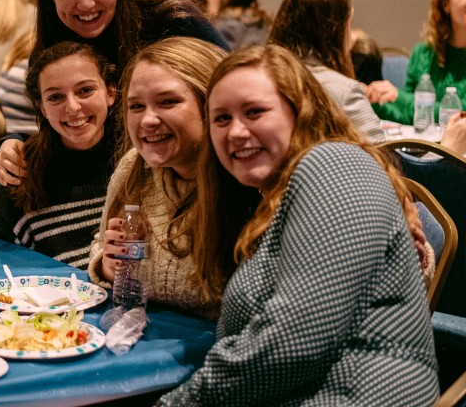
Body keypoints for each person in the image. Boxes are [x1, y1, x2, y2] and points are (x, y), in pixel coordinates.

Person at [158, 44, 438, 406]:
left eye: (254, 111)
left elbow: (295, 339)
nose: (236, 132)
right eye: (221, 119)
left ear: (300, 111)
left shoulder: (335, 165)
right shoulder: (268, 199)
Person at [0, 0, 226, 187]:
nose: (85, 4)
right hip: (117, 194)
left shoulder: (170, 18)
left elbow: (231, 88)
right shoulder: (52, 49)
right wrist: (15, 142)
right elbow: (68, 135)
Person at [88, 37, 226, 320]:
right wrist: (107, 265)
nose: (148, 120)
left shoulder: (240, 182)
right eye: (136, 107)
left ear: (211, 105)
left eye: (168, 102)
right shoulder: (134, 167)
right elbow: (101, 245)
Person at [0, 42, 116, 268]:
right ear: (42, 109)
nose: (72, 107)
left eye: (85, 90)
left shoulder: (135, 162)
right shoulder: (22, 170)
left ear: (110, 93)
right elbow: (3, 257)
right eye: (55, 97)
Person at [268, 0, 386, 143]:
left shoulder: (265, 78)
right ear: (333, 32)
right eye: (349, 26)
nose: (351, 36)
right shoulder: (344, 92)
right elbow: (380, 156)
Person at [369, 0, 466, 126]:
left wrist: (399, 97)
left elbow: (460, 116)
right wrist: (375, 102)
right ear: (445, 4)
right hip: (426, 147)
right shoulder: (423, 53)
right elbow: (411, 116)